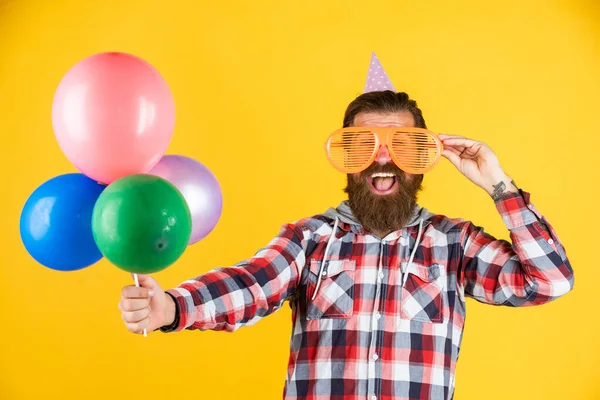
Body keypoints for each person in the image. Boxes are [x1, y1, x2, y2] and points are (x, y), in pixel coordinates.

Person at [118, 54, 574, 400]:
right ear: (347, 160)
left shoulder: (455, 244)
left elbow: (549, 281)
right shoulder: (310, 239)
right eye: (363, 145)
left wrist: (498, 184)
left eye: (401, 145)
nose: (381, 157)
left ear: (421, 161)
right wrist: (172, 308)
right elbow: (251, 283)